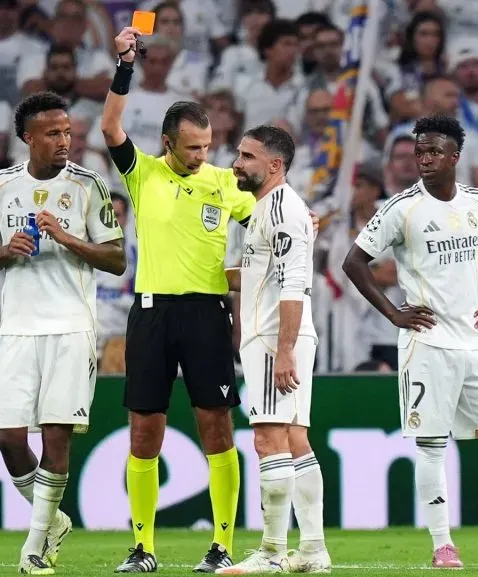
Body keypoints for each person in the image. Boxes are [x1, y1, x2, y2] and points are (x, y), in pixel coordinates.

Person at [341, 115, 478, 569]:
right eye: (420, 151)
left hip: (476, 341)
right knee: (432, 445)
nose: (424, 159)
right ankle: (443, 544)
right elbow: (354, 262)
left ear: (455, 157)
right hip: (427, 343)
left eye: (434, 151)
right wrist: (394, 314)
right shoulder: (402, 208)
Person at [101, 25, 253, 574]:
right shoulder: (143, 175)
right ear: (167, 143)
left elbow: (263, 214)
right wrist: (126, 66)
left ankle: (222, 546)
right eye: (193, 147)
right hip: (151, 312)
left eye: (207, 147)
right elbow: (110, 125)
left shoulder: (224, 181)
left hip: (208, 314)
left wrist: (293, 215)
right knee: (145, 430)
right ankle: (143, 548)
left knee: (217, 427)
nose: (201, 155)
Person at [0, 91, 126, 575]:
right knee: (8, 438)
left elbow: (117, 259)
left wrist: (67, 238)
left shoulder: (89, 185)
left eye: (67, 132)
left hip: (70, 327)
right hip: (18, 328)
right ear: (28, 138)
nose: (65, 141)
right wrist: (5, 251)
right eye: (53, 133)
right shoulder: (1, 185)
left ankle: (35, 548)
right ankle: (54, 520)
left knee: (56, 438)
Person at [218, 125, 330, 574]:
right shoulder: (271, 210)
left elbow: (293, 286)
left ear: (274, 165)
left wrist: (283, 350)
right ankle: (313, 550)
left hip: (274, 337)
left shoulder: (282, 210)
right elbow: (257, 276)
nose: (237, 163)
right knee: (295, 438)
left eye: (247, 156)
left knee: (267, 438)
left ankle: (271, 551)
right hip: (278, 334)